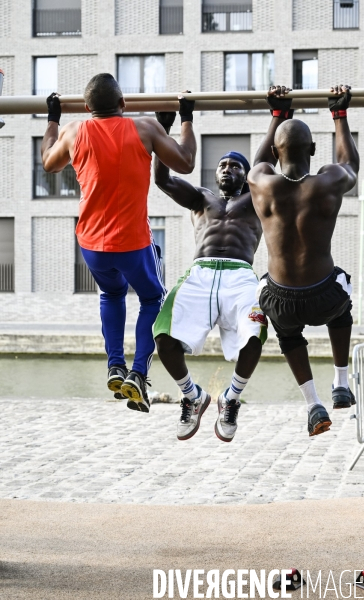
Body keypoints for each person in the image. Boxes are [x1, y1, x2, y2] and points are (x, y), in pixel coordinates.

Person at [41, 73, 197, 413]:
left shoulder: (73, 131)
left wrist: (52, 118)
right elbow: (186, 161)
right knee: (153, 298)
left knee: (112, 294)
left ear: (85, 107)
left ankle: (115, 365)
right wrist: (185, 118)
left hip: (92, 243)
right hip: (132, 242)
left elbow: (48, 162)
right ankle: (138, 373)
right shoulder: (144, 128)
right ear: (123, 103)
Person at [152, 109, 274, 443]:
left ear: (246, 174)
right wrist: (164, 128)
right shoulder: (201, 198)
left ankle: (230, 397)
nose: (228, 168)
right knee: (162, 335)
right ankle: (192, 395)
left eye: (235, 165)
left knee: (255, 335)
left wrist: (278, 115)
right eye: (223, 164)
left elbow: (269, 159)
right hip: (200, 273)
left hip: (240, 276)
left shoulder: (256, 199)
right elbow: (162, 179)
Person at [248, 84, 359, 437]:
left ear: (277, 152)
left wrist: (277, 114)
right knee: (343, 304)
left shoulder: (261, 183)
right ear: (312, 149)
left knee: (287, 333)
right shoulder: (327, 183)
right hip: (324, 296)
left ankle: (313, 406)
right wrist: (339, 113)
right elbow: (350, 164)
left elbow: (257, 162)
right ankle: (340, 382)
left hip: (281, 301)